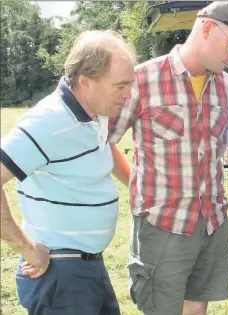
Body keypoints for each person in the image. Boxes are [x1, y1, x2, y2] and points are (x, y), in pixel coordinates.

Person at [108, 2, 228, 315]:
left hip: (211, 222)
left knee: (196, 309)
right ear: (207, 28)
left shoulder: (227, 87)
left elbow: (214, 150)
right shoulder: (142, 79)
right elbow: (103, 141)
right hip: (162, 224)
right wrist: (139, 186)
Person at [0, 30, 135, 315]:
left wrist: (137, 186)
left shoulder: (94, 113)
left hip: (89, 267)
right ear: (86, 82)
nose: (128, 95)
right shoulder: (49, 121)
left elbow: (103, 149)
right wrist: (27, 248)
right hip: (61, 275)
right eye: (120, 86)